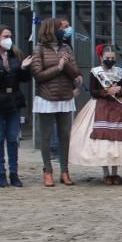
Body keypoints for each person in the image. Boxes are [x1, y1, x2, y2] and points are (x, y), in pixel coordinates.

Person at [69, 44, 122, 184]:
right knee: (104, 141)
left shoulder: (119, 72)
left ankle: (115, 173)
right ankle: (106, 173)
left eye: (112, 58)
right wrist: (107, 92)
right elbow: (93, 91)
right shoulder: (96, 72)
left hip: (118, 107)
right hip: (101, 106)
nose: (110, 60)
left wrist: (118, 91)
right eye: (107, 57)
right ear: (101, 58)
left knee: (118, 140)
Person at [29, 18, 81, 187]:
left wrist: (66, 65)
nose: (63, 31)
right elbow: (38, 75)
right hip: (46, 97)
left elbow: (75, 72)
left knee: (65, 134)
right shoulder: (39, 49)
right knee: (46, 135)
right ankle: (47, 170)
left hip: (65, 95)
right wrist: (58, 67)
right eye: (60, 28)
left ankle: (64, 170)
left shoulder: (66, 48)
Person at [0, 25, 32, 188]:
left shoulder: (15, 54)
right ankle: (1, 173)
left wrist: (24, 68)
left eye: (10, 36)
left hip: (13, 100)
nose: (9, 39)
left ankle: (14, 173)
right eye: (5, 36)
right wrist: (4, 68)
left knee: (13, 137)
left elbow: (24, 78)